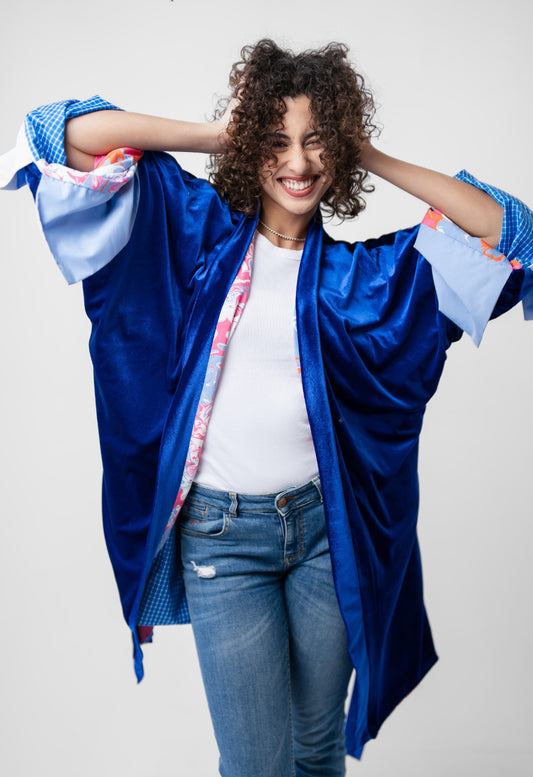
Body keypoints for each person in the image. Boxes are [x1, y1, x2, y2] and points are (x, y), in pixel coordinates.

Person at [1, 38, 532, 776]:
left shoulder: (366, 280)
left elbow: (508, 231)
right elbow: (58, 132)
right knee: (255, 763)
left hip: (324, 533)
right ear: (251, 145)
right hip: (221, 540)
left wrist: (365, 151)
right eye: (276, 139)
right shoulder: (192, 237)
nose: (299, 160)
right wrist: (217, 134)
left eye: (316, 140)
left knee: (315, 749)